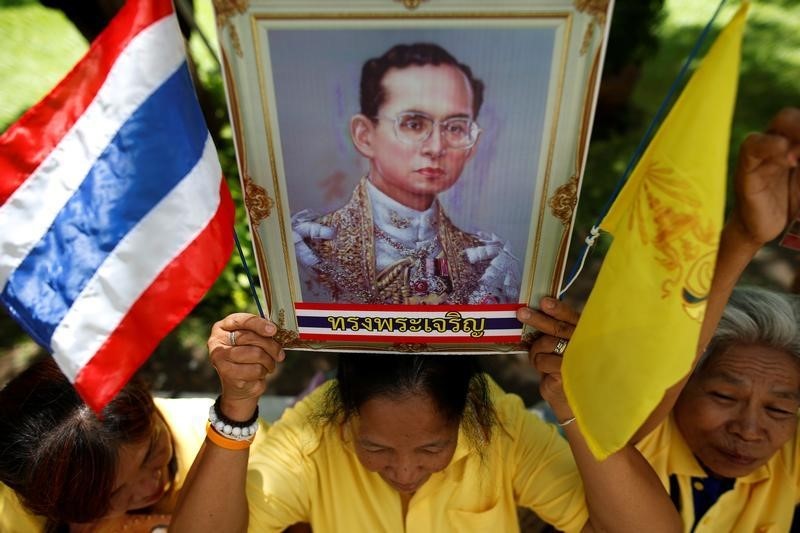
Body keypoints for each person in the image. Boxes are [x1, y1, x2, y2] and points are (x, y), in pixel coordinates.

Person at [520, 108, 800, 531]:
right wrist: (743, 234)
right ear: (683, 383)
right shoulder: (632, 429)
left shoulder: (788, 459)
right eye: (724, 397)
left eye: (779, 409)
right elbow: (667, 364)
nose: (749, 429)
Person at [170, 317, 682, 532]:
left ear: (471, 414)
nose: (406, 471)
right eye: (376, 449)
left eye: (434, 449)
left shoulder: (499, 424)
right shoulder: (314, 432)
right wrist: (236, 406)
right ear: (341, 414)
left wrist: (574, 405)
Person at [292, 42, 519, 305]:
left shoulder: (489, 263)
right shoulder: (308, 249)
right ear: (364, 135)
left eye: (456, 128)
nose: (436, 147)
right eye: (414, 124)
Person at [0, 358, 214, 533]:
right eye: (112, 495)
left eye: (150, 452)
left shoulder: (230, 444)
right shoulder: (7, 513)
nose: (150, 487)